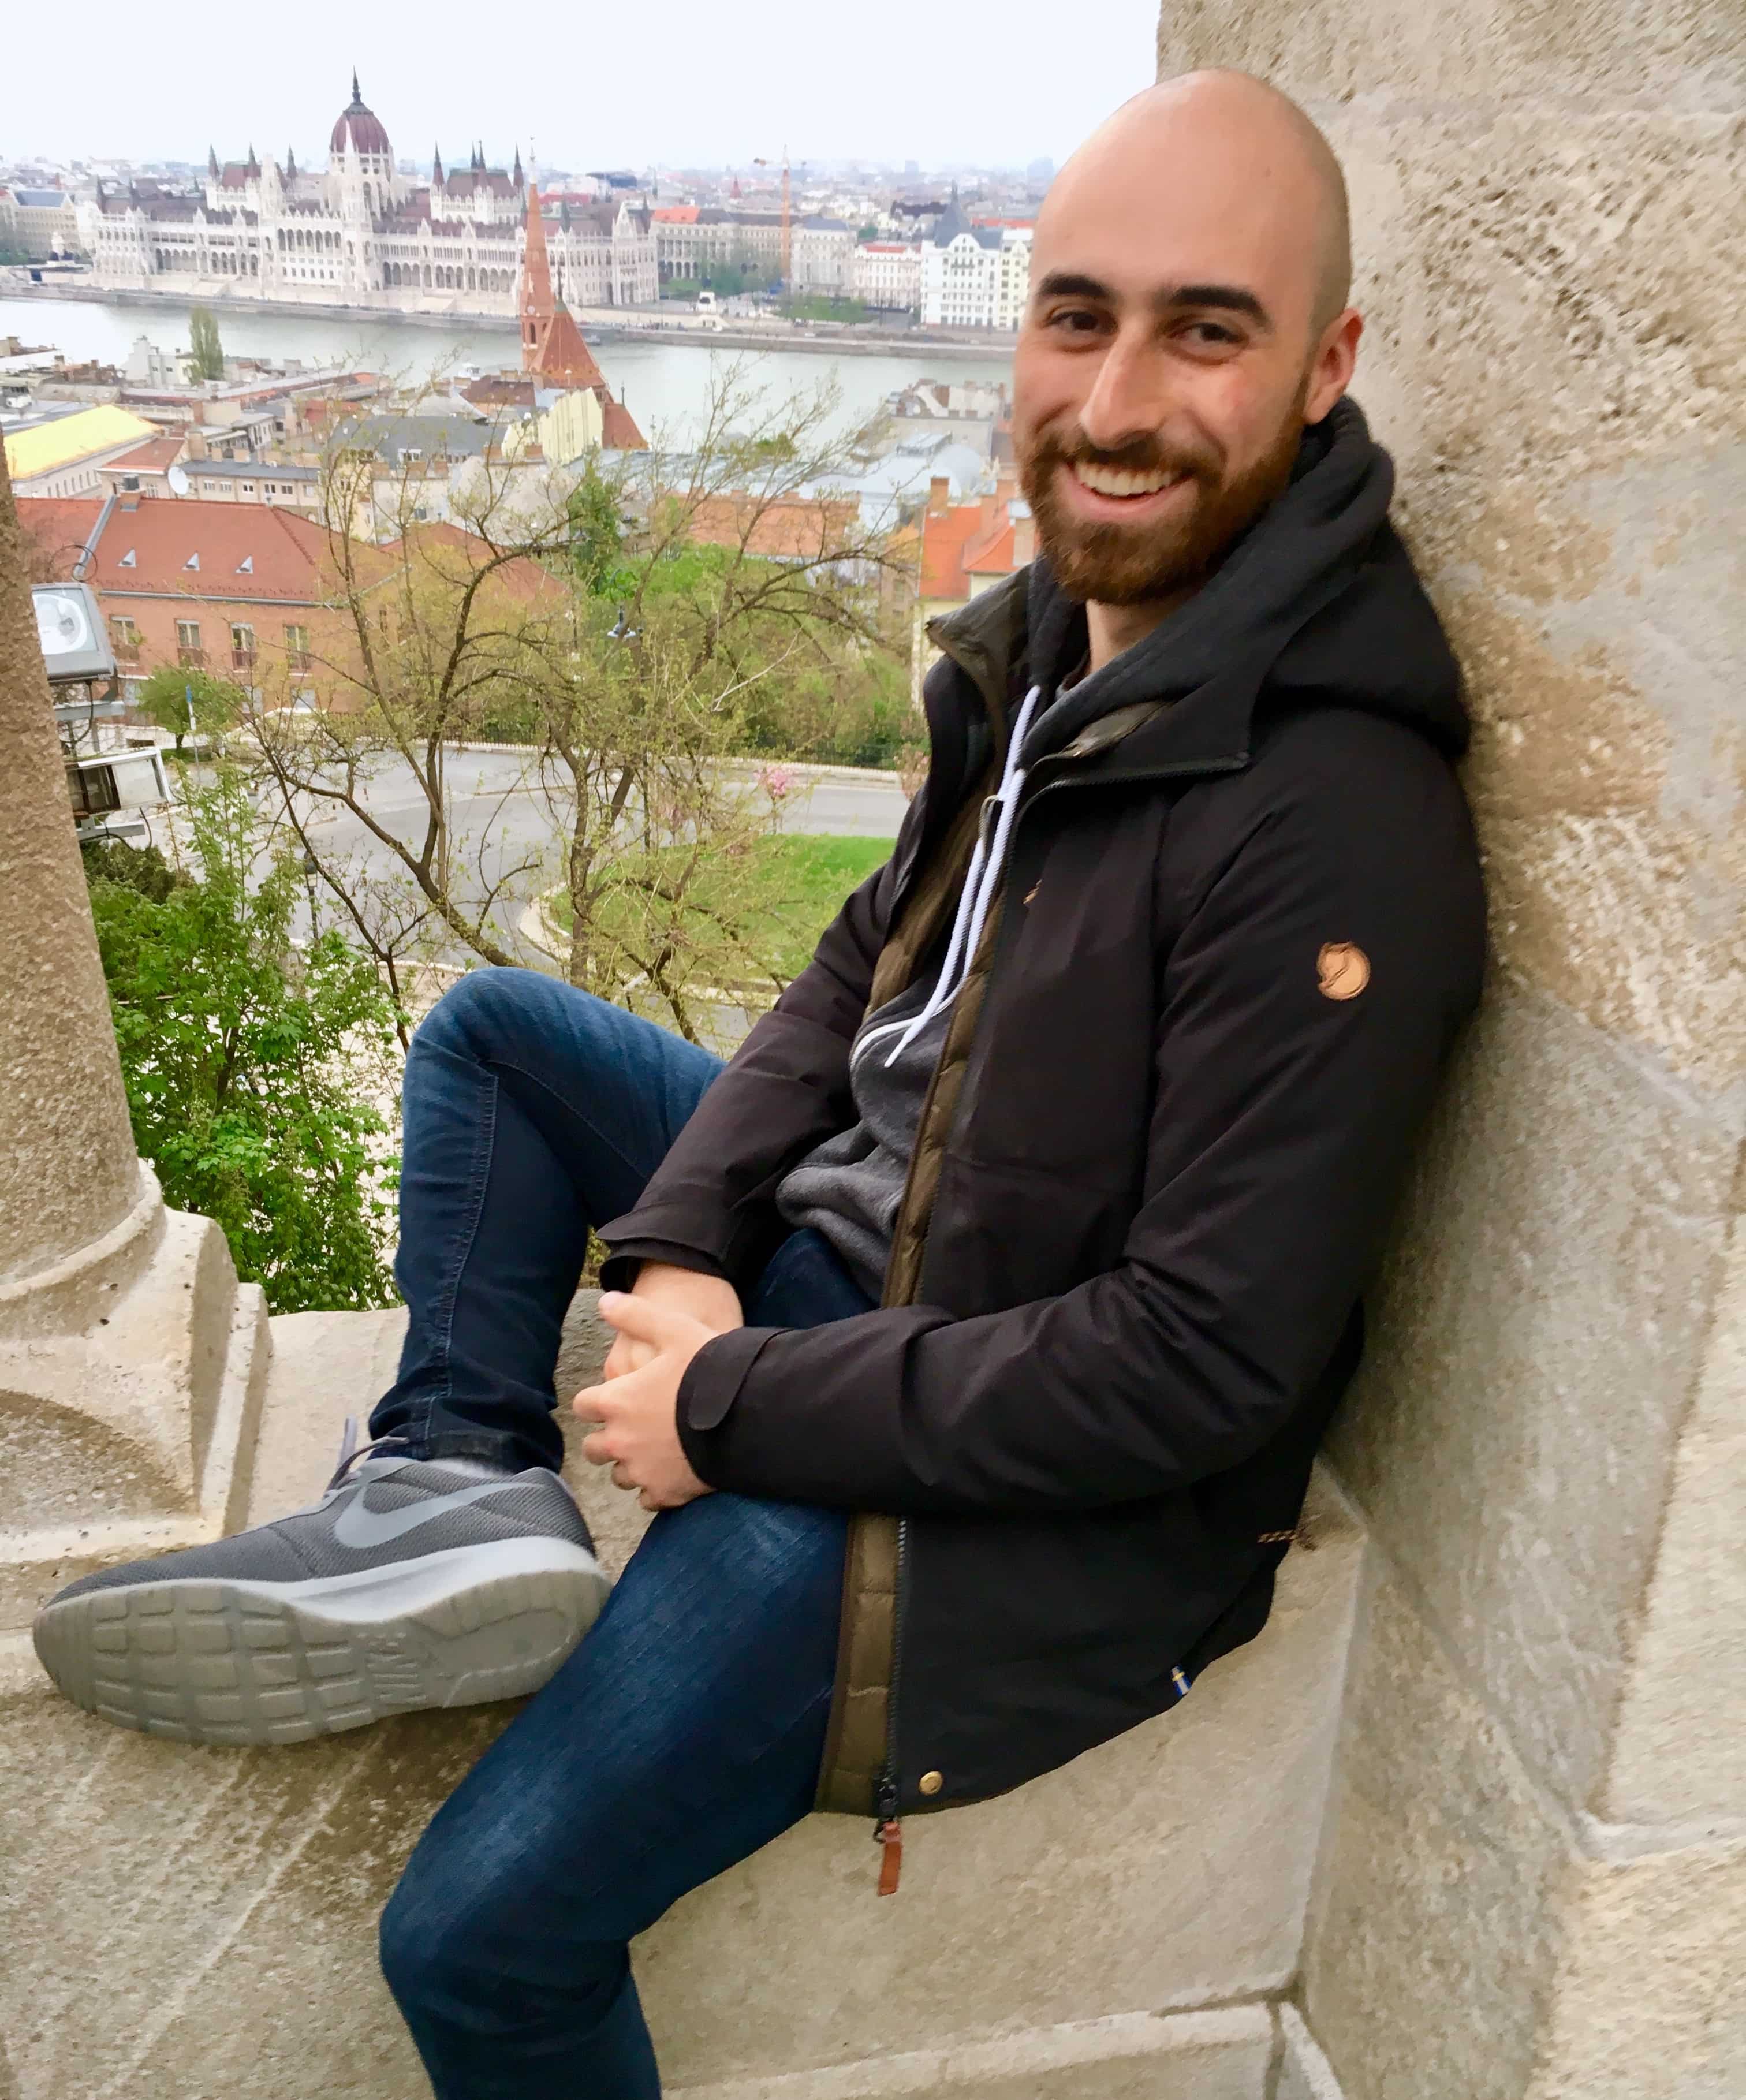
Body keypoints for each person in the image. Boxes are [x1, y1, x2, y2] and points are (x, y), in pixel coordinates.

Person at [33, 69, 1486, 2099]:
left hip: (974, 1463)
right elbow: (851, 982)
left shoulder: (1339, 818)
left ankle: (492, 1490)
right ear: (1024, 325)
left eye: (1206, 327)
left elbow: (1198, 1364)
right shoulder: (1071, 642)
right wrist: (696, 1233)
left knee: (476, 1942)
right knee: (488, 1039)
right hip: (863, 1261)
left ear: (1325, 366)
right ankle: (457, 1477)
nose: (1121, 393)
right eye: (1080, 315)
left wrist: (724, 1400)